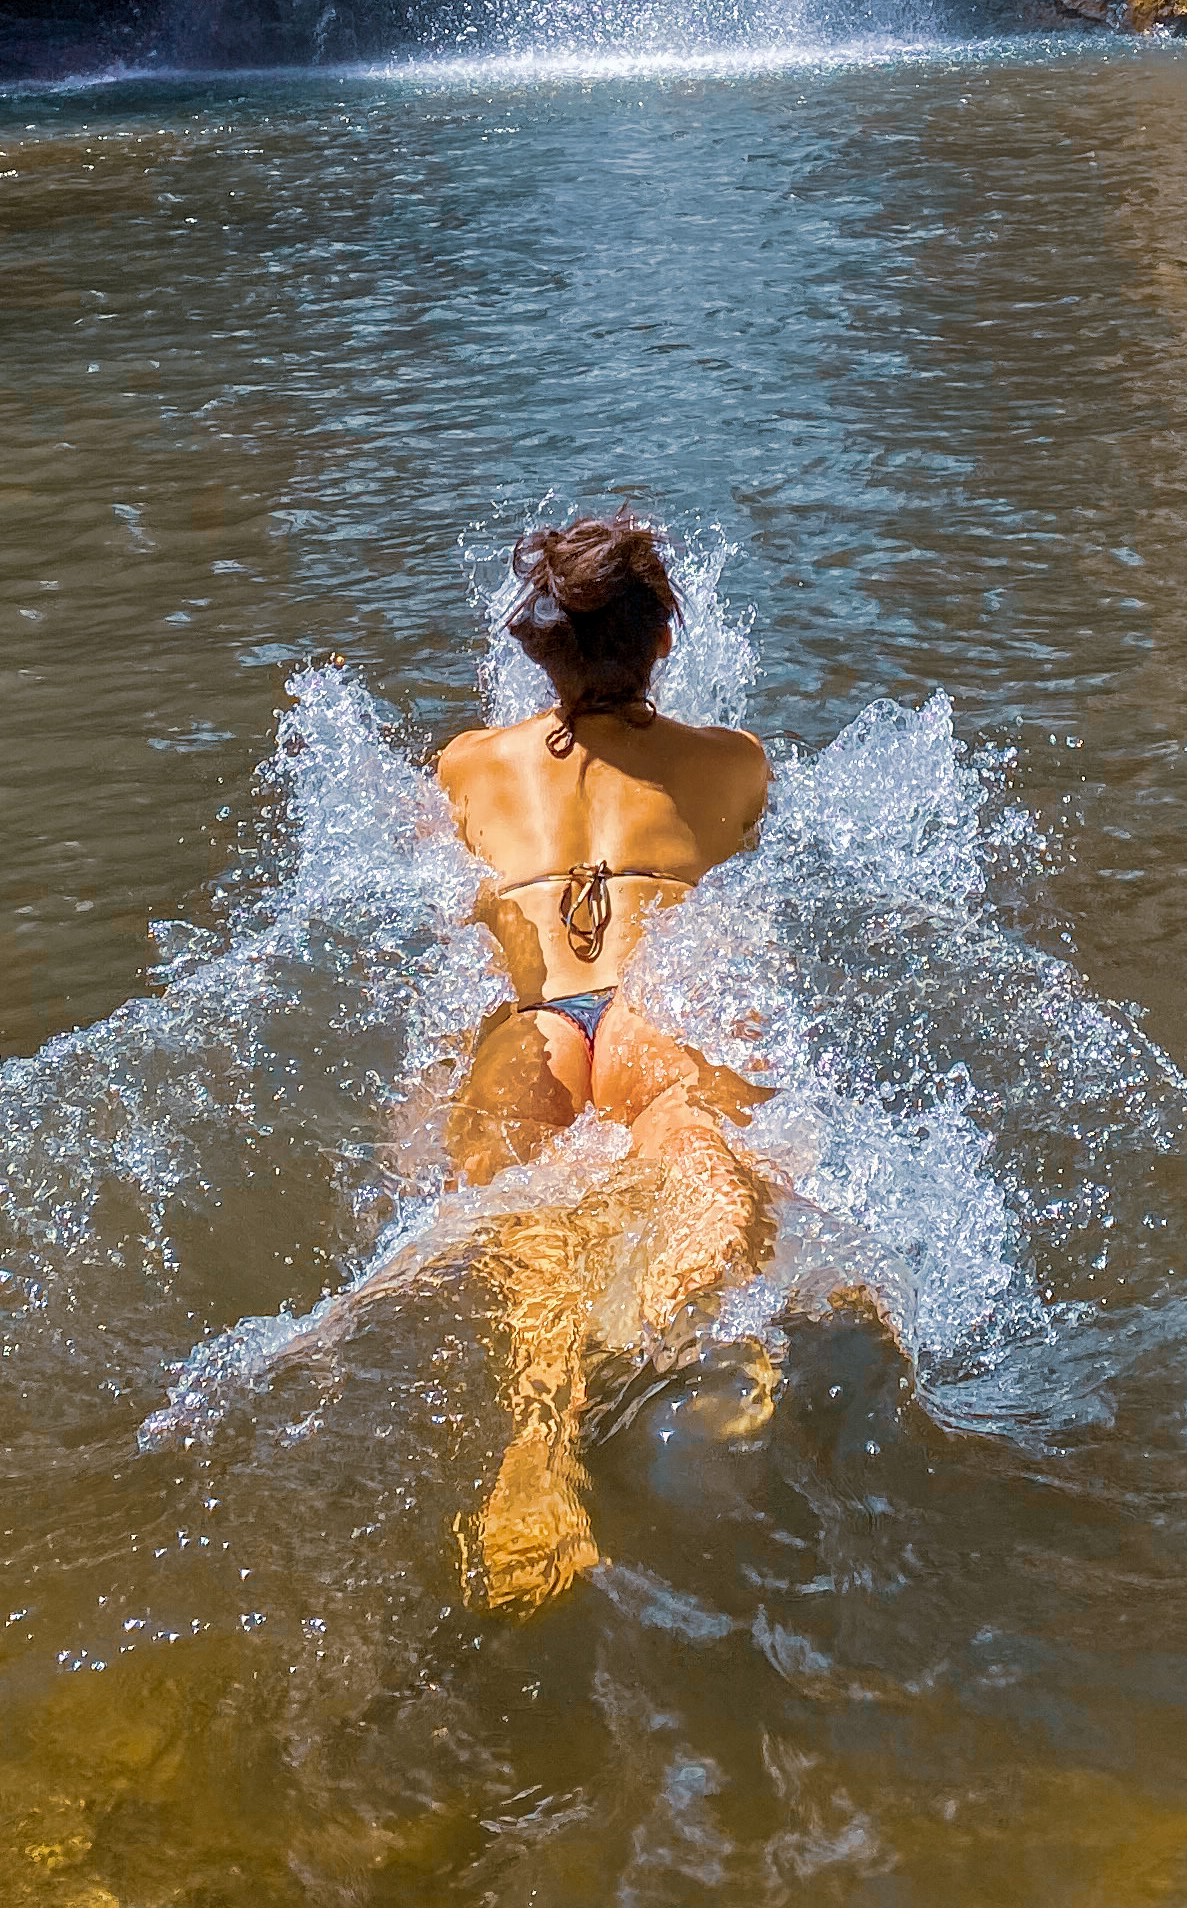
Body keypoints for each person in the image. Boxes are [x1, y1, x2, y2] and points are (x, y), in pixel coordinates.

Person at [431, 512, 774, 1607]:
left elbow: (450, 897)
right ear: (664, 643)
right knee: (701, 1162)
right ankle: (655, 1335)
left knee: (517, 1213)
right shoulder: (732, 763)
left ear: (534, 649)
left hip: (536, 1022)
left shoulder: (469, 765)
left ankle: (537, 1438)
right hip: (648, 1013)